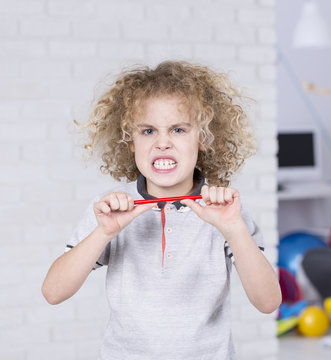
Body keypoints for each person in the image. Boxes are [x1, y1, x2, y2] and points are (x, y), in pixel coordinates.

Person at [41, 61, 282, 359]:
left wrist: (233, 229)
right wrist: (103, 232)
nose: (163, 143)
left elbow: (268, 302)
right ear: (130, 140)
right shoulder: (111, 209)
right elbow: (53, 292)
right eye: (148, 131)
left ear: (203, 138)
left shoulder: (226, 211)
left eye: (178, 129)